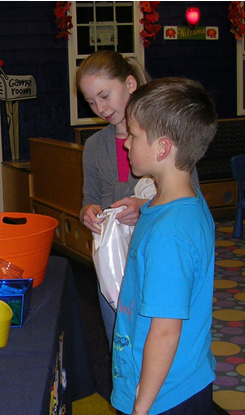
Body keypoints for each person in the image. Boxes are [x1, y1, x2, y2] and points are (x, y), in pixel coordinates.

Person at [75, 51, 199, 345]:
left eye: (105, 96)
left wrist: (144, 208)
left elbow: (190, 201)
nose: (100, 107)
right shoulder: (94, 146)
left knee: (158, 338)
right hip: (113, 263)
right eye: (91, 102)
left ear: (130, 84)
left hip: (158, 259)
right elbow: (88, 198)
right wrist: (88, 212)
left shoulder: (165, 141)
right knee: (118, 339)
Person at [111, 77, 217, 415]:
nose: (126, 143)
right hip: (181, 377)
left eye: (134, 135)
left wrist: (141, 406)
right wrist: (142, 206)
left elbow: (166, 332)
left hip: (163, 394)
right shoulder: (180, 201)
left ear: (162, 148)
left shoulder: (169, 236)